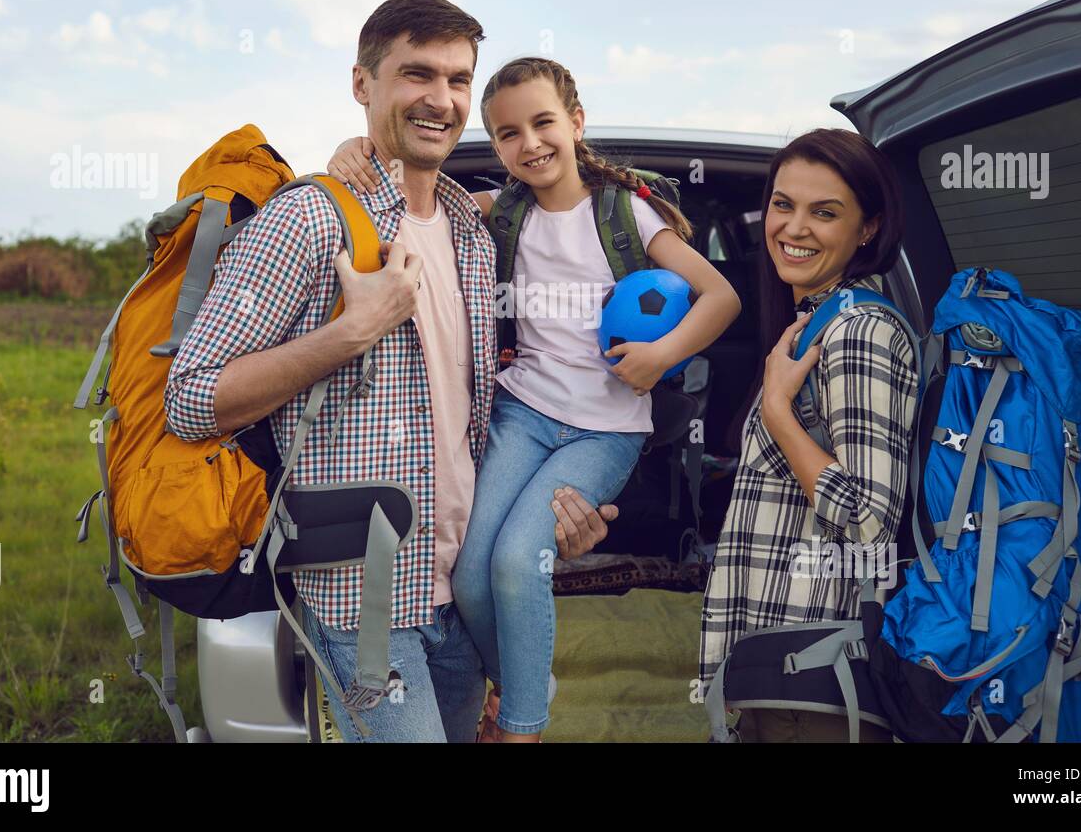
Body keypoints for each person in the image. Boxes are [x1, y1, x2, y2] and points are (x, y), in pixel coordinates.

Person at [164, 0, 620, 743]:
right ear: (362, 84)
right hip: (366, 602)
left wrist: (561, 513)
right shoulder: (308, 219)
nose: (441, 99)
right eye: (417, 73)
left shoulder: (473, 230)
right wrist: (351, 332)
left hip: (463, 598)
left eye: (458, 79)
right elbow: (189, 399)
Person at [327, 56, 741, 741]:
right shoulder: (502, 210)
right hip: (522, 414)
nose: (530, 143)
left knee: (519, 559)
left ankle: (522, 724)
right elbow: (415, 195)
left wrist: (663, 356)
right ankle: (523, 677)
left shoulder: (627, 213)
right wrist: (357, 150)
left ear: (576, 123)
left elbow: (720, 296)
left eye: (543, 122)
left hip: (603, 429)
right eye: (508, 134)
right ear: (496, 148)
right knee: (468, 576)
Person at [697, 127, 918, 741]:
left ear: (867, 228)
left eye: (825, 213)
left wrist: (776, 411)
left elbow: (870, 520)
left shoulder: (858, 333)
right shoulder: (815, 320)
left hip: (817, 673)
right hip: (782, 661)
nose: (793, 229)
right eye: (783, 204)